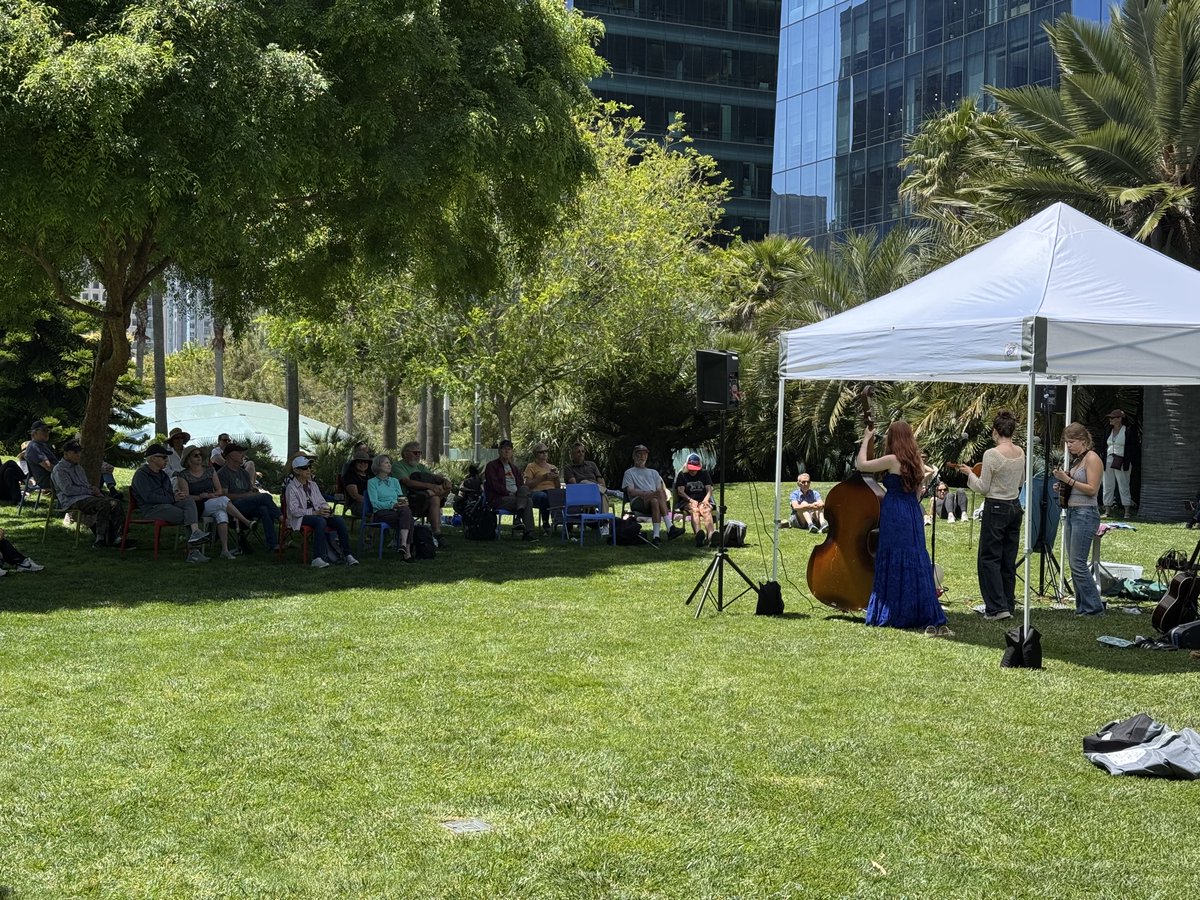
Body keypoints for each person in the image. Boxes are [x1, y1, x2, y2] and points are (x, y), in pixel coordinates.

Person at [855, 420, 948, 632]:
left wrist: (867, 439)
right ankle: (918, 609)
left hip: (895, 511)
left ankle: (893, 610)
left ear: (893, 438)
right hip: (912, 512)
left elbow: (862, 465)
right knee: (914, 555)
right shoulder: (915, 461)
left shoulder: (892, 460)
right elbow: (921, 485)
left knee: (893, 554)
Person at [956, 410, 1026, 621]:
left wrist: (969, 474)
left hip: (996, 506)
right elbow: (1022, 480)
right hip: (1014, 505)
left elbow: (983, 487)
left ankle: (996, 607)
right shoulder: (1021, 452)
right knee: (1008, 558)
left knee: (989, 558)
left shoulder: (992, 454)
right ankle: (1007, 602)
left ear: (995, 431)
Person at [1051, 422, 1106, 616]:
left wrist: (1068, 481)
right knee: (1074, 563)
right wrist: (1063, 486)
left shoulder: (1092, 458)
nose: (1069, 446)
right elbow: (1076, 484)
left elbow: (1092, 489)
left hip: (1086, 513)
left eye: (1072, 442)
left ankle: (1094, 607)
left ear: (1083, 440)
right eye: (1067, 442)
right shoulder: (1078, 461)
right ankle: (1083, 606)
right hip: (1073, 512)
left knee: (1078, 563)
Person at [130, 443, 212, 562]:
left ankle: (195, 532)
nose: (167, 460)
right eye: (163, 457)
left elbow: (168, 493)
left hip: (166, 505)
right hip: (151, 509)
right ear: (153, 458)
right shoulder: (141, 475)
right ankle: (194, 551)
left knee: (188, 500)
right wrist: (173, 499)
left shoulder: (163, 475)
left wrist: (176, 495)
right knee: (187, 516)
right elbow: (149, 497)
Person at [178, 445, 256, 560]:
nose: (199, 457)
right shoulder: (183, 475)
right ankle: (246, 521)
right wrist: (200, 496)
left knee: (222, 514)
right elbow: (186, 497)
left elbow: (219, 490)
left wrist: (209, 495)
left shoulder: (210, 471)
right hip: (196, 507)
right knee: (223, 501)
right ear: (188, 459)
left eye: (200, 454)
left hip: (212, 501)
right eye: (195, 455)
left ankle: (224, 550)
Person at [284, 455, 358, 568]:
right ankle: (317, 557)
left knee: (339, 520)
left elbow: (321, 501)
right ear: (296, 470)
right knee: (320, 521)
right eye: (304, 468)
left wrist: (327, 510)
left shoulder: (313, 485)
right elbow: (294, 511)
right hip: (299, 518)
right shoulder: (291, 488)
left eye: (309, 466)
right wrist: (314, 513)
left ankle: (347, 554)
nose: (308, 469)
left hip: (318, 515)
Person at [51, 440, 127, 548]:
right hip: (71, 500)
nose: (79, 455)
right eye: (75, 452)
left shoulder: (79, 468)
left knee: (115, 503)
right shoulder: (59, 469)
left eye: (79, 452)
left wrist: (93, 489)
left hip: (86, 497)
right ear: (66, 453)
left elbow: (84, 485)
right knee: (104, 504)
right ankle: (100, 539)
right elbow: (68, 490)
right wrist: (89, 491)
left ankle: (119, 537)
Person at [219, 443, 280, 553]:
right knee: (265, 497)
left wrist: (252, 491)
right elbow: (224, 496)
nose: (243, 455)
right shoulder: (223, 473)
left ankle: (273, 544)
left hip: (247, 504)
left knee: (264, 509)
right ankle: (281, 518)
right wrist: (246, 495)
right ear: (229, 455)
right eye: (239, 452)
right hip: (233, 506)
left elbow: (248, 490)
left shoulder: (243, 472)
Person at [395, 441, 452, 547]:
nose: (418, 455)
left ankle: (437, 533)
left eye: (420, 453)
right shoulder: (398, 466)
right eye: (415, 453)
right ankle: (437, 534)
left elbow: (434, 477)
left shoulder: (420, 467)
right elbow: (407, 482)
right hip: (406, 501)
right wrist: (431, 487)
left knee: (439, 494)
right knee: (435, 497)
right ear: (405, 453)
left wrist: (444, 481)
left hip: (423, 500)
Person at [622, 444, 675, 545]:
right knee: (657, 495)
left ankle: (656, 537)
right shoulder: (629, 473)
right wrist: (647, 493)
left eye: (644, 454)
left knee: (655, 501)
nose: (642, 456)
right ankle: (670, 527)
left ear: (647, 456)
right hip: (638, 500)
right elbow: (631, 491)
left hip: (653, 500)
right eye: (639, 454)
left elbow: (660, 491)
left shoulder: (654, 473)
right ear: (633, 456)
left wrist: (654, 495)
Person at [484, 439, 536, 540]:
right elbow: (494, 485)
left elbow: (521, 484)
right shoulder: (492, 466)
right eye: (504, 449)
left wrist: (517, 494)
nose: (506, 451)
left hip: (516, 498)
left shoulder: (514, 468)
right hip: (499, 498)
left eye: (509, 449)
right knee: (528, 501)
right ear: (499, 451)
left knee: (524, 489)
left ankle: (519, 518)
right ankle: (527, 533)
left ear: (512, 452)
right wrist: (508, 493)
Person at [367, 454, 415, 559]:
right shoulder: (372, 482)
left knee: (406, 511)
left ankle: (403, 546)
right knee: (409, 519)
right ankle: (407, 552)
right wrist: (392, 504)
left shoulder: (394, 481)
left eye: (390, 463)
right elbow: (374, 503)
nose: (389, 465)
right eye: (386, 462)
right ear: (378, 465)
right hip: (381, 512)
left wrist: (403, 502)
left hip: (397, 510)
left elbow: (400, 497)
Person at [675, 453, 716, 547]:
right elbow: (680, 492)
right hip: (687, 501)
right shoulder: (682, 475)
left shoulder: (704, 473)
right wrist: (690, 500)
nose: (693, 471)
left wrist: (706, 500)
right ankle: (698, 535)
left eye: (695, 468)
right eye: (691, 468)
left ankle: (711, 536)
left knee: (706, 510)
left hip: (702, 499)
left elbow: (709, 489)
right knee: (695, 510)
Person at [1102, 409, 1135, 519]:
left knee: (1123, 484)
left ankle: (1127, 511)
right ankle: (1107, 510)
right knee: (1108, 485)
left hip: (1122, 461)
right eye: (1110, 418)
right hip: (1108, 460)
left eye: (1113, 418)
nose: (1110, 420)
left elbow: (1132, 448)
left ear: (1120, 419)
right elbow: (1104, 445)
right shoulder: (1108, 430)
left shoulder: (1127, 431)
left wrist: (1128, 461)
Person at [523, 442, 562, 531]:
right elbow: (528, 485)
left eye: (546, 451)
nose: (544, 453)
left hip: (551, 492)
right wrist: (543, 478)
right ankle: (545, 522)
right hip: (536, 493)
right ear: (535, 454)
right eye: (541, 452)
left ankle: (565, 522)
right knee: (544, 496)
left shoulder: (552, 467)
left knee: (561, 495)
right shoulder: (531, 466)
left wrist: (556, 478)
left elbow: (558, 488)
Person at [24, 420, 58, 490]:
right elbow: (48, 467)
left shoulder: (41, 445)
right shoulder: (34, 447)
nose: (47, 433)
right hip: (48, 479)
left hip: (54, 476)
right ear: (34, 433)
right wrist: (65, 472)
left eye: (48, 430)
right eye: (44, 430)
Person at [341, 450, 372, 520]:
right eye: (360, 462)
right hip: (357, 504)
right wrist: (372, 502)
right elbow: (355, 496)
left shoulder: (370, 476)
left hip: (372, 502)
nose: (363, 464)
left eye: (365, 462)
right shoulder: (349, 476)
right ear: (354, 463)